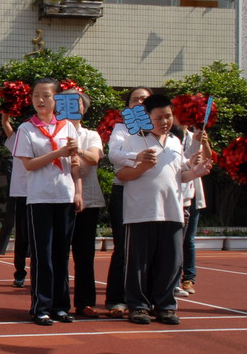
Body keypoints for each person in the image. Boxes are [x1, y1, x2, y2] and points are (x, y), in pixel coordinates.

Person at [115, 94, 212, 325]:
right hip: (140, 213)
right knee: (138, 264)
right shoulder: (133, 141)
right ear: (146, 118)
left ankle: (166, 306)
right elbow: (121, 174)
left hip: (172, 212)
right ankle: (138, 306)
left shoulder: (176, 142)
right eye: (158, 117)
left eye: (167, 116)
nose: (164, 122)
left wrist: (196, 173)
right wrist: (143, 166)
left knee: (171, 262)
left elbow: (180, 176)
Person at [14, 79, 82, 326]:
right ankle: (41, 307)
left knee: (62, 254)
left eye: (46, 96)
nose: (40, 100)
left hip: (64, 195)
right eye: (36, 96)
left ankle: (61, 306)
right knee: (43, 255)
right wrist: (58, 153)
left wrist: (78, 191)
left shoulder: (68, 127)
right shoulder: (26, 129)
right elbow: (29, 164)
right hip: (40, 197)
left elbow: (74, 165)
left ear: (56, 100)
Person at [104, 86, 153, 317]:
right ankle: (116, 298)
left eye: (144, 99)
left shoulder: (159, 131)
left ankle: (146, 299)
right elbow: (114, 154)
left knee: (149, 248)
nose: (140, 103)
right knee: (123, 247)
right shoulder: (121, 128)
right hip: (124, 191)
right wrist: (138, 158)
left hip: (151, 194)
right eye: (135, 99)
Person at [63, 91, 105, 318]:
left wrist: (77, 149)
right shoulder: (53, 131)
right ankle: (57, 302)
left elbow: (95, 158)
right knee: (57, 253)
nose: (73, 107)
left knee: (84, 254)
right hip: (59, 197)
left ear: (84, 108)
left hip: (88, 199)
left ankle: (85, 302)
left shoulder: (91, 135)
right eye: (67, 102)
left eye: (77, 103)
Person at [179, 125, 212, 296]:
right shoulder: (168, 137)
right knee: (174, 240)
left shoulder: (194, 136)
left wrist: (204, 143)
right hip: (175, 194)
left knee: (188, 239)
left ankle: (188, 278)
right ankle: (172, 278)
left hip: (191, 193)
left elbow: (208, 159)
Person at [0, 114, 30, 288]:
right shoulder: (18, 141)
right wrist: (5, 119)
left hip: (42, 194)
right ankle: (20, 272)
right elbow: (8, 130)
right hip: (22, 193)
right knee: (22, 236)